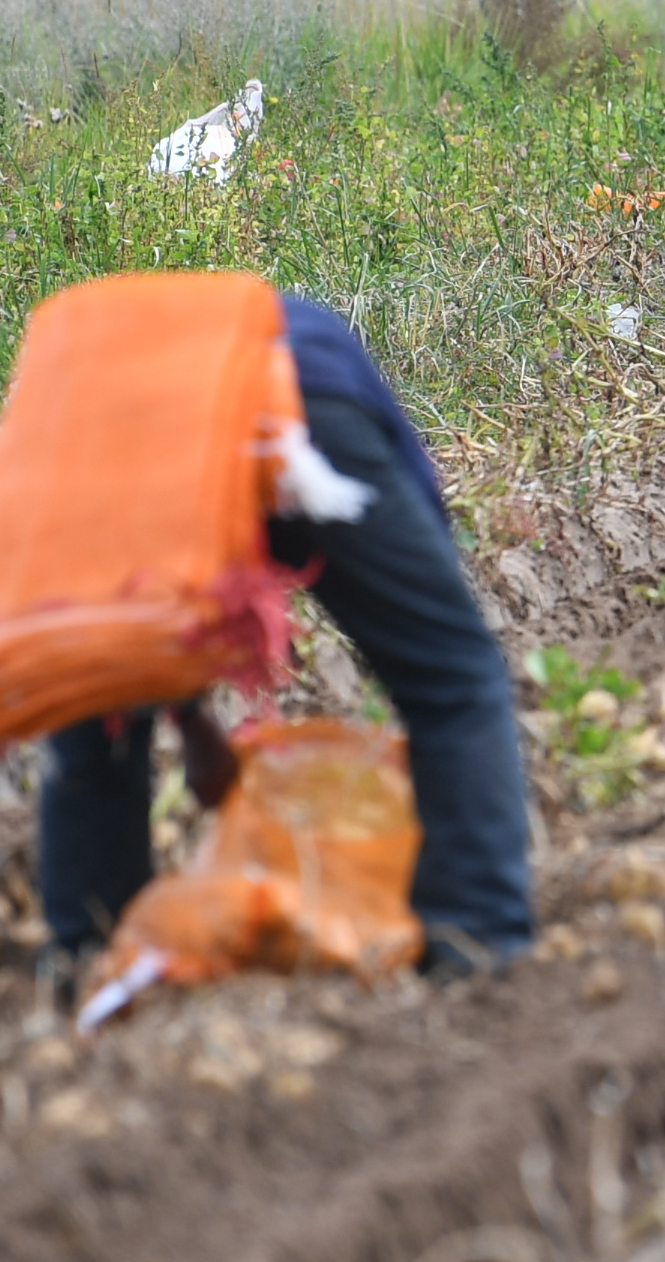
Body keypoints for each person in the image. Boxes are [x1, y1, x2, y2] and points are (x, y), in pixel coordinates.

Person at [35, 293, 538, 981]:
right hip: (297, 407)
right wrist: (192, 722)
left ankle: (88, 952)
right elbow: (434, 615)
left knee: (99, 705)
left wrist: (182, 716)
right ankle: (478, 940)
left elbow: (148, 618)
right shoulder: (333, 377)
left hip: (116, 434)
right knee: (454, 680)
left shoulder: (100, 398)